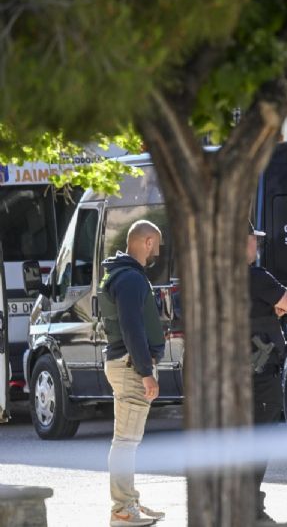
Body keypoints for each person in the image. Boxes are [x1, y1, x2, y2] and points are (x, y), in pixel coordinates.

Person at [100, 220, 167, 527]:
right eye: (158, 244)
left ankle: (129, 502)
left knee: (127, 439)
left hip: (126, 364)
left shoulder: (122, 274)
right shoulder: (130, 279)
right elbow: (132, 328)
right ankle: (123, 509)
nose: (159, 252)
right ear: (148, 241)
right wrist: (146, 372)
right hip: (130, 366)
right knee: (126, 441)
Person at [247, 221, 287, 521]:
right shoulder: (255, 277)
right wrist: (277, 305)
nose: (257, 246)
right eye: (253, 240)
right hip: (258, 375)